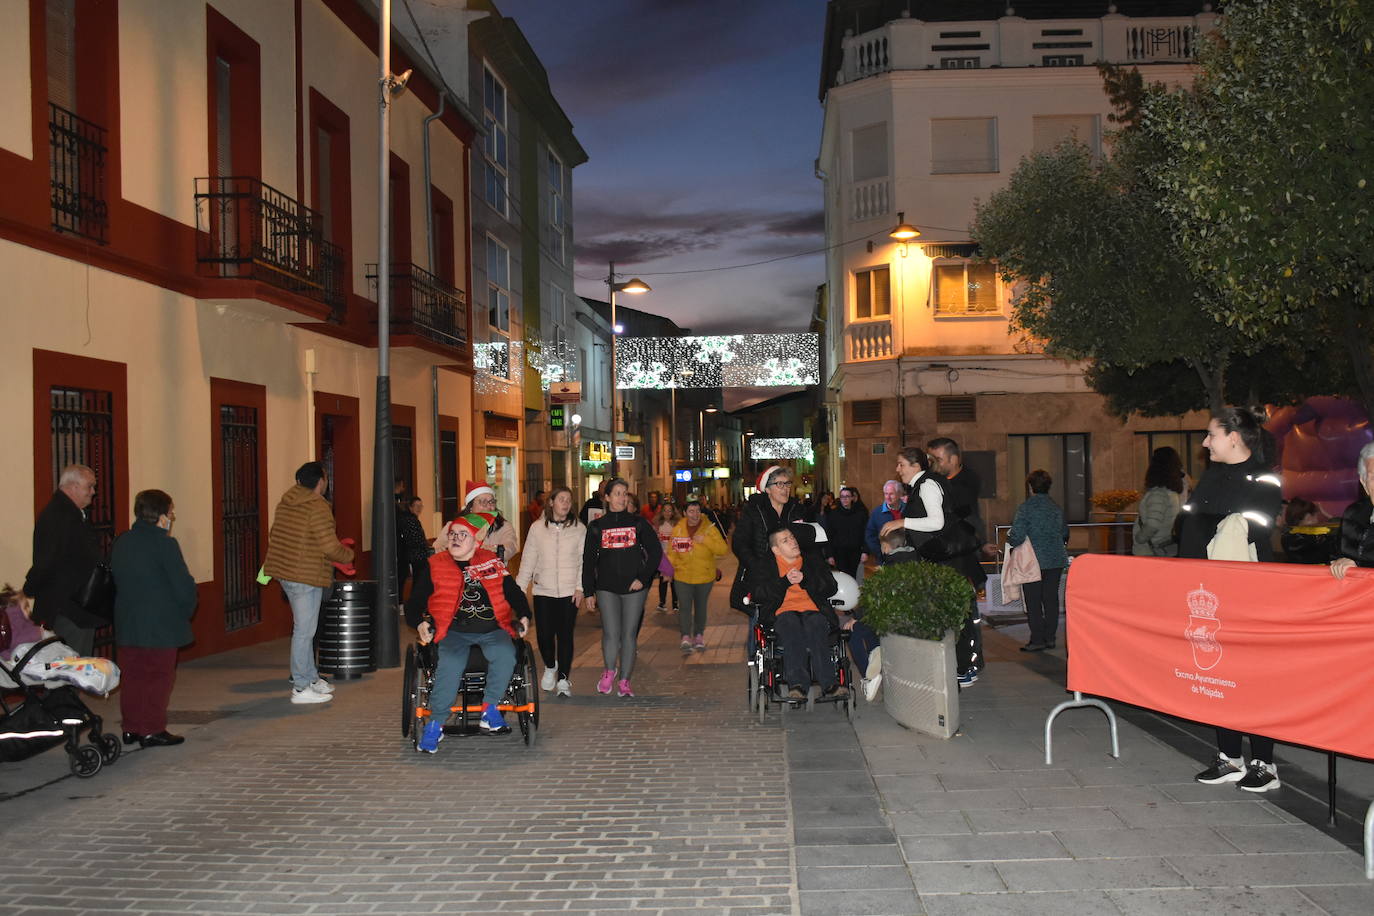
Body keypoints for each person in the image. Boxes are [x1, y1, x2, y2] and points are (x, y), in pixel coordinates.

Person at [1180, 407, 1283, 792]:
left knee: (1254, 677)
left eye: (1211, 435)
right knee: (1217, 673)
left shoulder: (1265, 476)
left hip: (1251, 594)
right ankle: (1229, 757)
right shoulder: (1211, 477)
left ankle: (1265, 763)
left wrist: (1212, 521)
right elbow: (1192, 529)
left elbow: (1257, 524)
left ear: (1234, 437)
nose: (1205, 443)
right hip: (1207, 592)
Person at [413, 513, 531, 752]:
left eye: (462, 534)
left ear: (476, 542)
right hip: (453, 630)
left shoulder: (491, 562)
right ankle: (435, 724)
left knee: (506, 654)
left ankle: (489, 709)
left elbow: (513, 592)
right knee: (451, 663)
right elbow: (415, 601)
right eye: (452, 534)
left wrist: (525, 614)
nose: (455, 538)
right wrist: (419, 622)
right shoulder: (435, 564)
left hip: (492, 627)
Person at [881, 447, 985, 687]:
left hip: (948, 562)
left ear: (916, 466)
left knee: (957, 616)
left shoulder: (927, 485)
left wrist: (902, 521)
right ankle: (960, 668)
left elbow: (936, 522)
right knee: (954, 616)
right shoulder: (923, 485)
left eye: (901, 465)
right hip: (943, 561)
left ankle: (963, 669)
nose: (898, 470)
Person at [262, 461, 354, 705]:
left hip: (287, 572)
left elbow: (278, 535)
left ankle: (311, 678)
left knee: (305, 629)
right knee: (304, 632)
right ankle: (301, 688)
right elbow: (329, 546)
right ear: (320, 481)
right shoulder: (317, 507)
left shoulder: (287, 502)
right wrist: (348, 555)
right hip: (305, 575)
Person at [110, 489, 197, 748]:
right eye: (170, 512)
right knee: (159, 676)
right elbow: (182, 585)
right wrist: (186, 608)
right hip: (160, 623)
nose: (172, 517)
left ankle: (131, 727)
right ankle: (152, 729)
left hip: (128, 620)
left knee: (133, 676)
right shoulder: (165, 544)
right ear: (160, 515)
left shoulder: (122, 541)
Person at [582, 477, 662, 698]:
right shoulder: (597, 526)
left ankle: (625, 680)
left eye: (625, 493)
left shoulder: (638, 523)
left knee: (628, 635)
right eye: (617, 493)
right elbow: (588, 561)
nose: (622, 497)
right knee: (610, 633)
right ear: (606, 497)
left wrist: (643, 578)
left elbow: (656, 553)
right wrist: (589, 591)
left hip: (634, 587)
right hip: (606, 587)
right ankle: (609, 671)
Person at [749, 527, 843, 700]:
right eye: (786, 540)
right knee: (790, 625)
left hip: (813, 609)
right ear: (776, 549)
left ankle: (829, 684)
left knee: (816, 625)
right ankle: (797, 685)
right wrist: (784, 582)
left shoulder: (812, 560)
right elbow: (758, 593)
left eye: (792, 537)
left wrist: (805, 580)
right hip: (783, 612)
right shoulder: (766, 565)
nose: (793, 541)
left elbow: (831, 587)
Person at [23, 463, 105, 656]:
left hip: (74, 606)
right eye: (90, 486)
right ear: (73, 486)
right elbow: (46, 561)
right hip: (68, 608)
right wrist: (29, 589)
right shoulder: (59, 516)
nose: (93, 492)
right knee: (69, 667)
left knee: (73, 666)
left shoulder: (68, 513)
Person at [515, 487, 583, 697]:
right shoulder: (537, 529)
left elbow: (583, 561)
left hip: (569, 591)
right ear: (551, 502)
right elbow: (528, 559)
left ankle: (563, 678)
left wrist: (580, 587)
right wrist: (518, 589)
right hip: (543, 590)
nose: (565, 503)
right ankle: (550, 666)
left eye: (569, 500)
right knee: (544, 636)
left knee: (565, 636)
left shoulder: (579, 529)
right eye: (561, 499)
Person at [1006, 470, 1069, 652]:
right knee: (1050, 599)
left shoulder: (1025, 508)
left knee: (1033, 600)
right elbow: (1064, 532)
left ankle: (1037, 639)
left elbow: (1017, 535)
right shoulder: (1056, 508)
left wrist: (1011, 541)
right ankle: (1050, 638)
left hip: (1031, 561)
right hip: (1055, 559)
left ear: (1030, 487)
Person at [732, 466, 806, 617]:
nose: (785, 489)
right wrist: (756, 565)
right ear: (767, 489)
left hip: (791, 572)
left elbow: (806, 540)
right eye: (779, 484)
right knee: (761, 620)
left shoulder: (795, 509)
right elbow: (739, 544)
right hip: (762, 576)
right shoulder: (754, 511)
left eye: (787, 484)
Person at [667, 500, 727, 652]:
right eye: (691, 511)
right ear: (685, 513)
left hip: (704, 576)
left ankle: (699, 635)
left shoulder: (710, 528)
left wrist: (705, 540)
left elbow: (722, 549)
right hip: (682, 575)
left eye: (698, 511)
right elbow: (672, 553)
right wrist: (668, 571)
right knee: (684, 607)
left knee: (701, 607)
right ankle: (685, 636)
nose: (695, 514)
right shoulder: (678, 529)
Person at [927, 437, 987, 546]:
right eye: (930, 460)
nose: (932, 465)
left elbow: (962, 515)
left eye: (938, 460)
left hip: (964, 542)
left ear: (953, 460)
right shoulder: (933, 479)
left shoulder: (968, 481)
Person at [1330, 442, 1374, 579]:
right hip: (1354, 596)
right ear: (1364, 482)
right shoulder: (1353, 514)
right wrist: (1339, 563)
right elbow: (1336, 556)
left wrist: (1358, 568)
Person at [462, 480, 517, 560]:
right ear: (470, 506)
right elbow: (439, 548)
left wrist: (494, 549)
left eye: (491, 502)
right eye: (483, 502)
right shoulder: (455, 526)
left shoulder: (503, 526)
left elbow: (510, 548)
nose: (488, 506)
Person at [822, 486, 868, 578]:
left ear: (852, 498)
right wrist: (829, 555)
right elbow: (828, 535)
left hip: (856, 552)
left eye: (847, 496)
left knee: (856, 577)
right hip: (839, 553)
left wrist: (865, 551)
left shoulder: (860, 514)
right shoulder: (833, 514)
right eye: (842, 497)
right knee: (843, 577)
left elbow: (866, 533)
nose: (845, 499)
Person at [396, 495, 432, 598]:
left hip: (415, 555)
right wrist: (426, 545)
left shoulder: (410, 519)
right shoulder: (410, 520)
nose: (419, 509)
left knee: (418, 581)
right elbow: (414, 540)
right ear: (410, 507)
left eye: (421, 506)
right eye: (416, 506)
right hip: (416, 556)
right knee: (419, 581)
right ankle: (415, 603)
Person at [651, 502, 682, 613]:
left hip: (674, 556)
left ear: (673, 512)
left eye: (670, 510)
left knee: (674, 581)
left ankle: (675, 603)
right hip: (662, 556)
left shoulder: (678, 524)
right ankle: (662, 602)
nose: (667, 513)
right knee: (663, 580)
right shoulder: (657, 525)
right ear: (661, 512)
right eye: (665, 510)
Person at [864, 480, 905, 560]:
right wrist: (880, 553)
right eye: (886, 494)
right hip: (885, 559)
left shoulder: (908, 509)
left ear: (899, 494)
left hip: (907, 557)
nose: (888, 497)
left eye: (891, 494)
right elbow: (870, 536)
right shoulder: (877, 512)